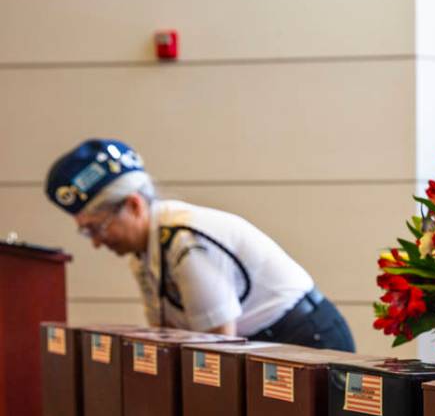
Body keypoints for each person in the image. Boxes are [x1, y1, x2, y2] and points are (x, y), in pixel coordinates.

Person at [44, 138, 355, 350]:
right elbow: (169, 338)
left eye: (97, 228)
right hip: (269, 344)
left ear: (134, 206)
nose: (97, 242)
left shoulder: (185, 242)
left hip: (308, 341)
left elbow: (218, 349)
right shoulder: (144, 249)